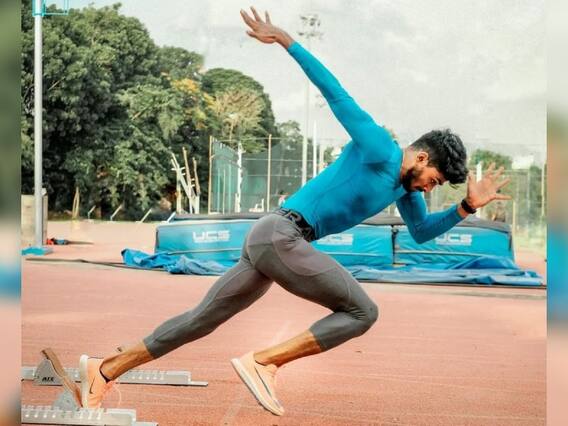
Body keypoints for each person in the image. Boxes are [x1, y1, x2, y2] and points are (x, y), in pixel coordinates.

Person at [77, 7, 511, 416]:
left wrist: (466, 207)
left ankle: (103, 370)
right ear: (421, 157)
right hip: (281, 235)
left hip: (272, 238)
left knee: (200, 320)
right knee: (363, 312)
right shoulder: (380, 147)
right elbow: (336, 94)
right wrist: (287, 40)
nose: (431, 188)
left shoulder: (405, 191)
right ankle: (264, 362)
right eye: (434, 179)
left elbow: (421, 232)